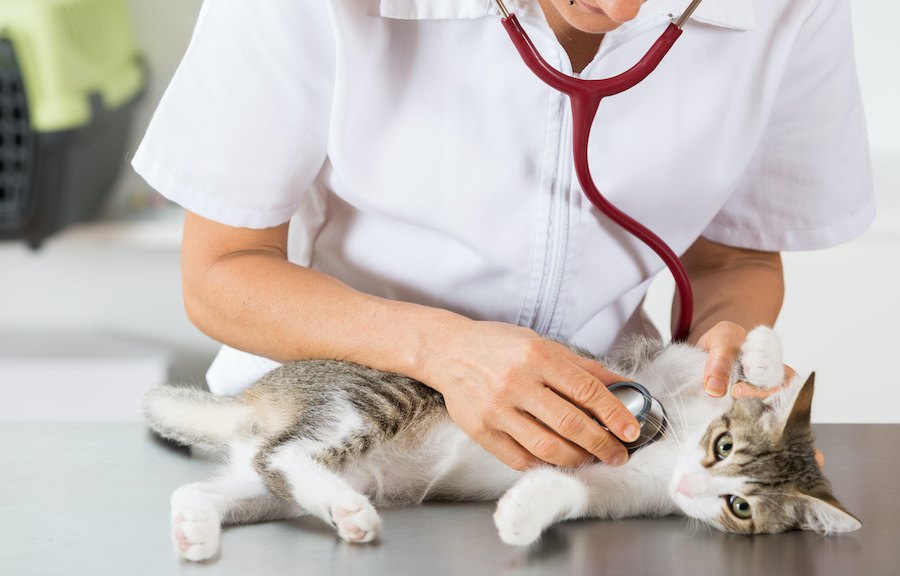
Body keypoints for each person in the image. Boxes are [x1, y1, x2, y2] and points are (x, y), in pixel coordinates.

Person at [132, 0, 873, 471]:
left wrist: (726, 338)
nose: (620, 8)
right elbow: (222, 272)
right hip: (330, 446)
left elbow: (734, 258)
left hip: (593, 450)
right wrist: (449, 353)